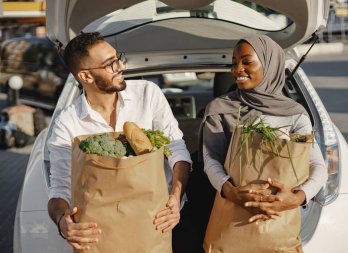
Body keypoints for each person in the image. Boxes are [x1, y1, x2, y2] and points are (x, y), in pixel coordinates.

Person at [47, 32, 192, 251]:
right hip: (104, 233)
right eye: (110, 64)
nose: (121, 67)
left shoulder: (148, 94)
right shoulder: (67, 123)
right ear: (86, 76)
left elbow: (176, 148)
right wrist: (61, 222)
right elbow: (59, 187)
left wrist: (175, 198)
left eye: (118, 58)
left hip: (161, 222)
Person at [201, 34, 328, 249]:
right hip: (231, 214)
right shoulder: (219, 110)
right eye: (234, 63)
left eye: (246, 61)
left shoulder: (294, 115)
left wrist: (297, 198)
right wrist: (229, 191)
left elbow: (317, 165)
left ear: (269, 64)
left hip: (280, 219)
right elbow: (210, 158)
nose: (237, 69)